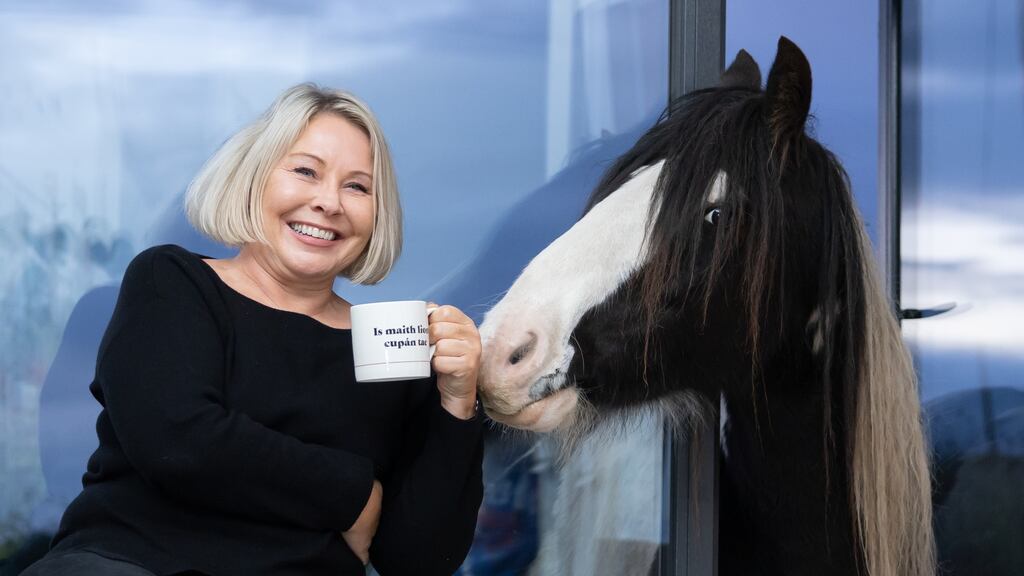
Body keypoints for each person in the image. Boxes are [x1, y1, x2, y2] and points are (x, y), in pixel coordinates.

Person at [21, 84, 485, 576]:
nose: (328, 202)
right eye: (305, 171)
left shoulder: (391, 345)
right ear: (254, 180)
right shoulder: (173, 282)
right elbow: (179, 442)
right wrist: (355, 496)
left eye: (357, 186)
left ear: (377, 215)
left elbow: (417, 560)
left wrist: (457, 403)